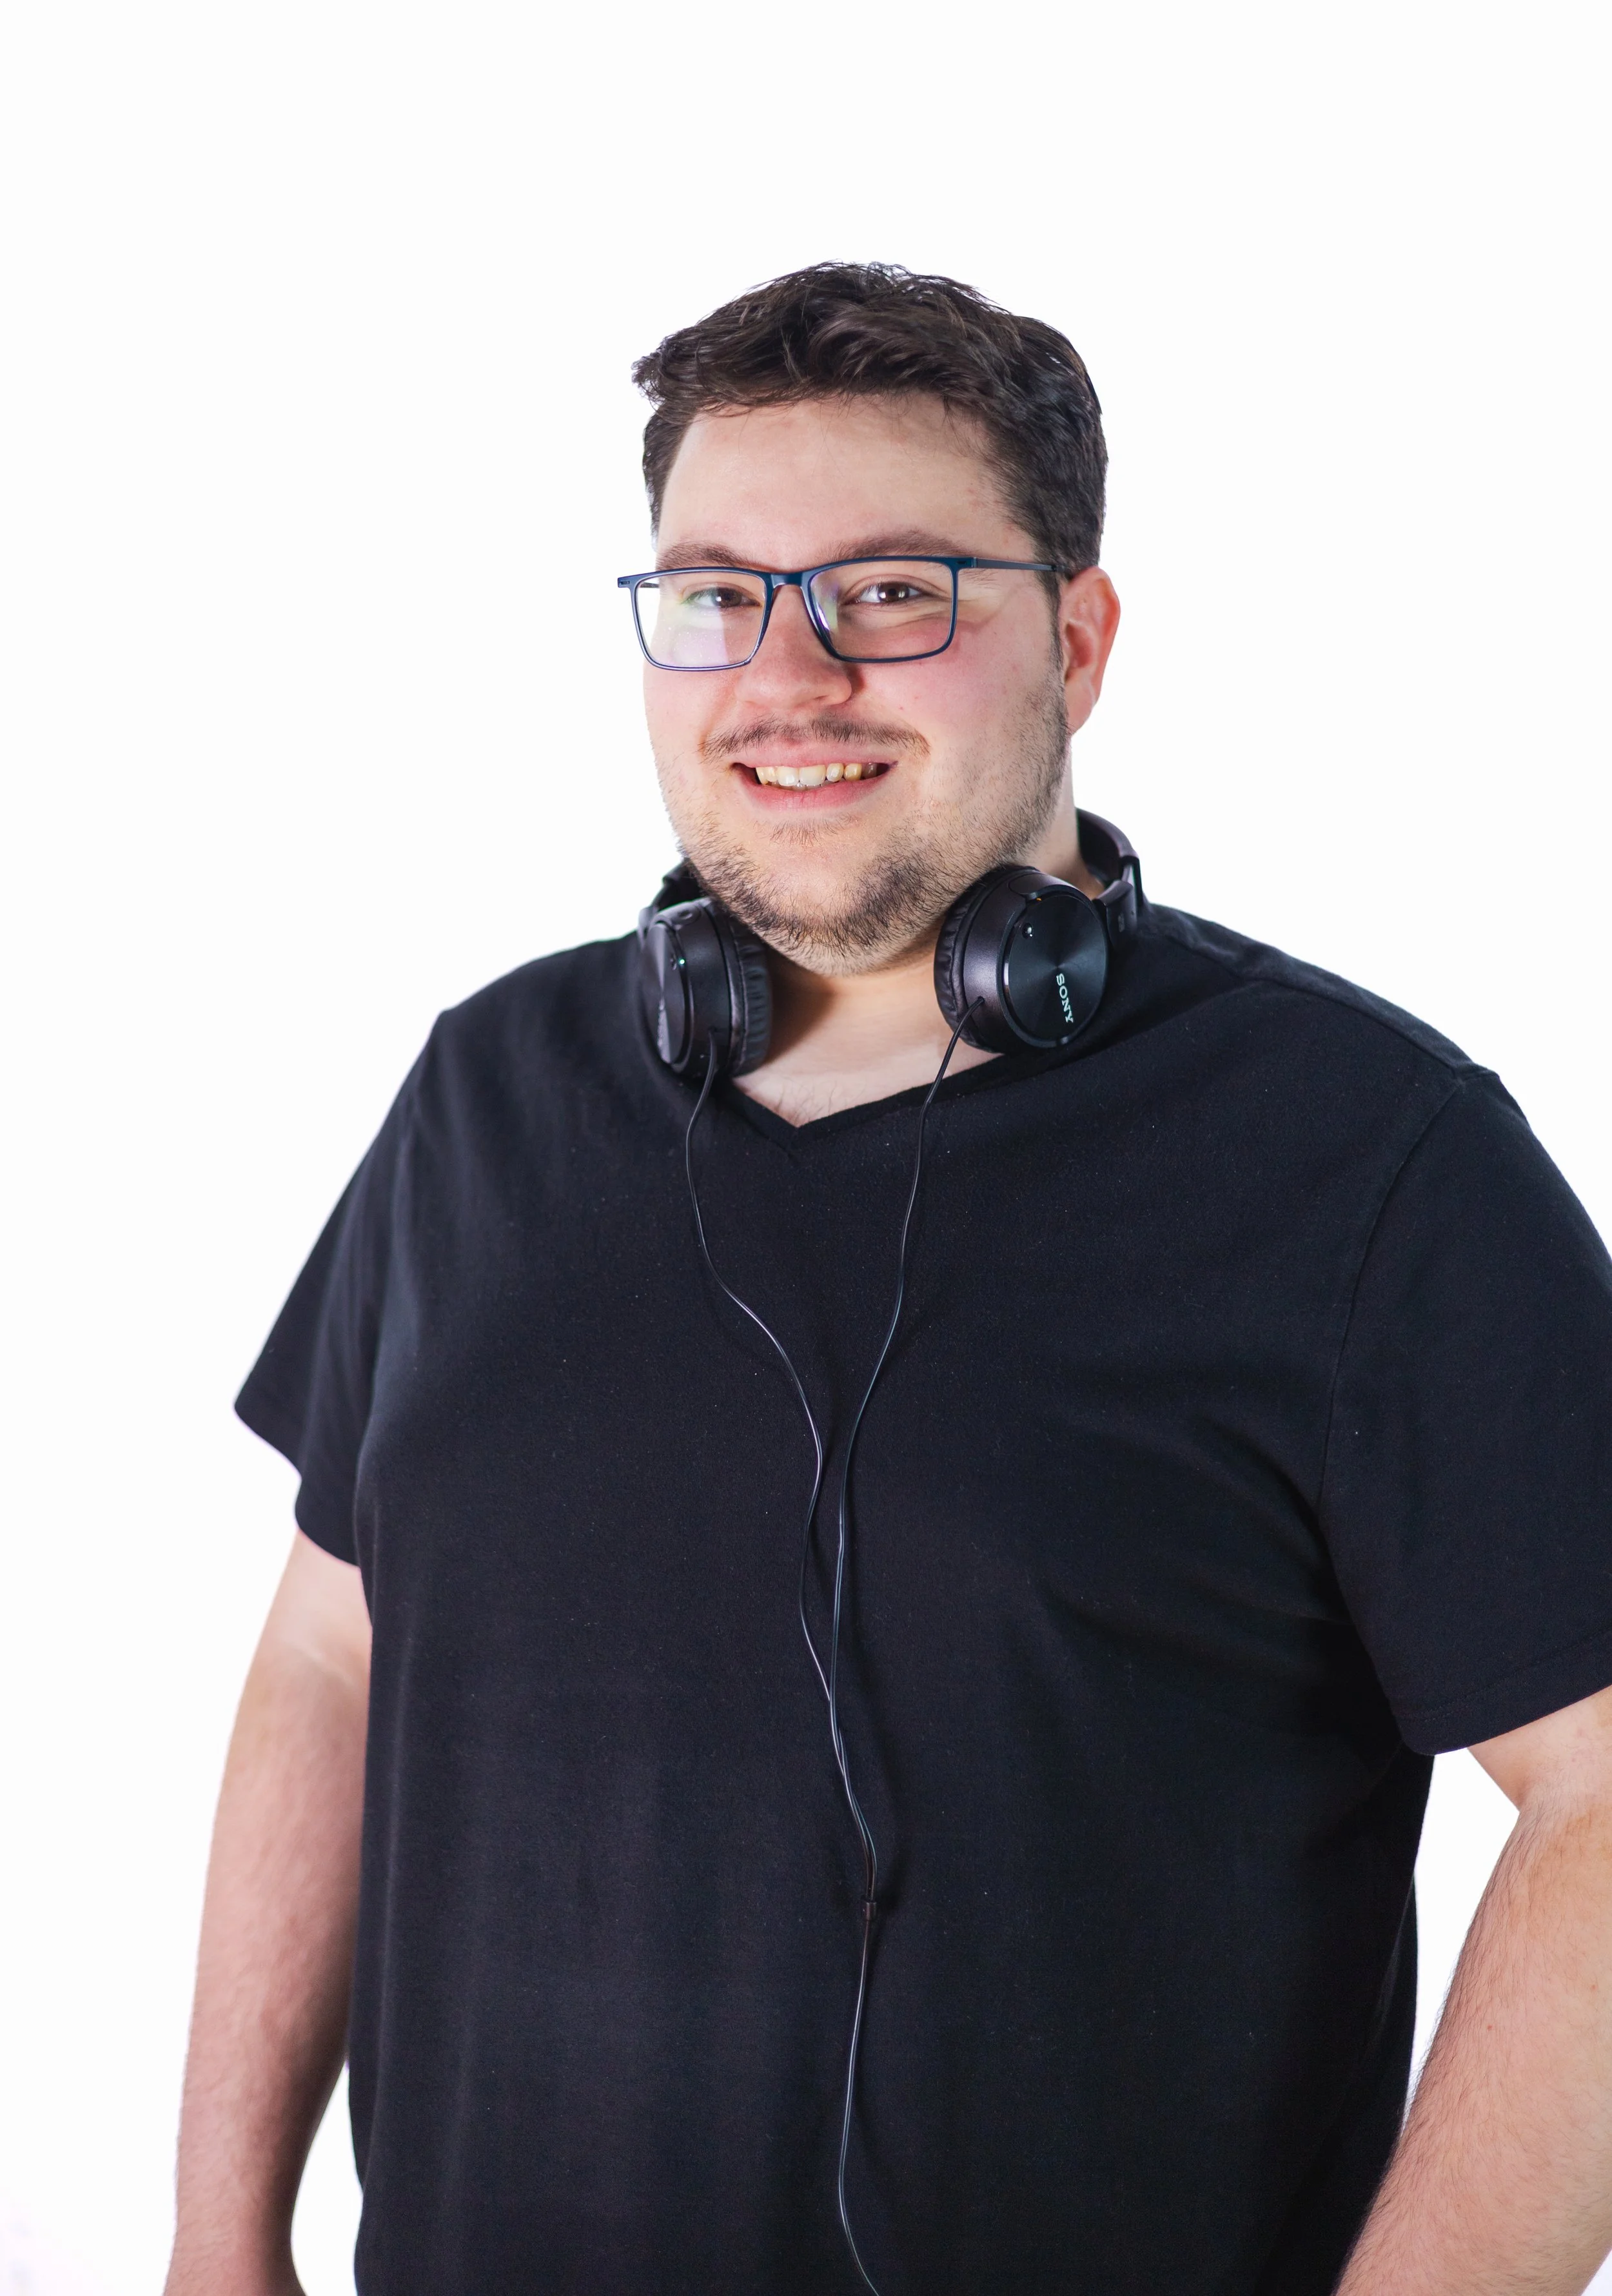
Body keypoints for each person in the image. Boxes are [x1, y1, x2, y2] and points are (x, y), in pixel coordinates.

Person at [164, 264, 1612, 2296]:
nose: (786, 672)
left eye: (891, 593)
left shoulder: (1366, 1154)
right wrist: (215, 2244)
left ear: (1078, 639)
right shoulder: (486, 1092)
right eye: (713, 597)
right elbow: (332, 1654)